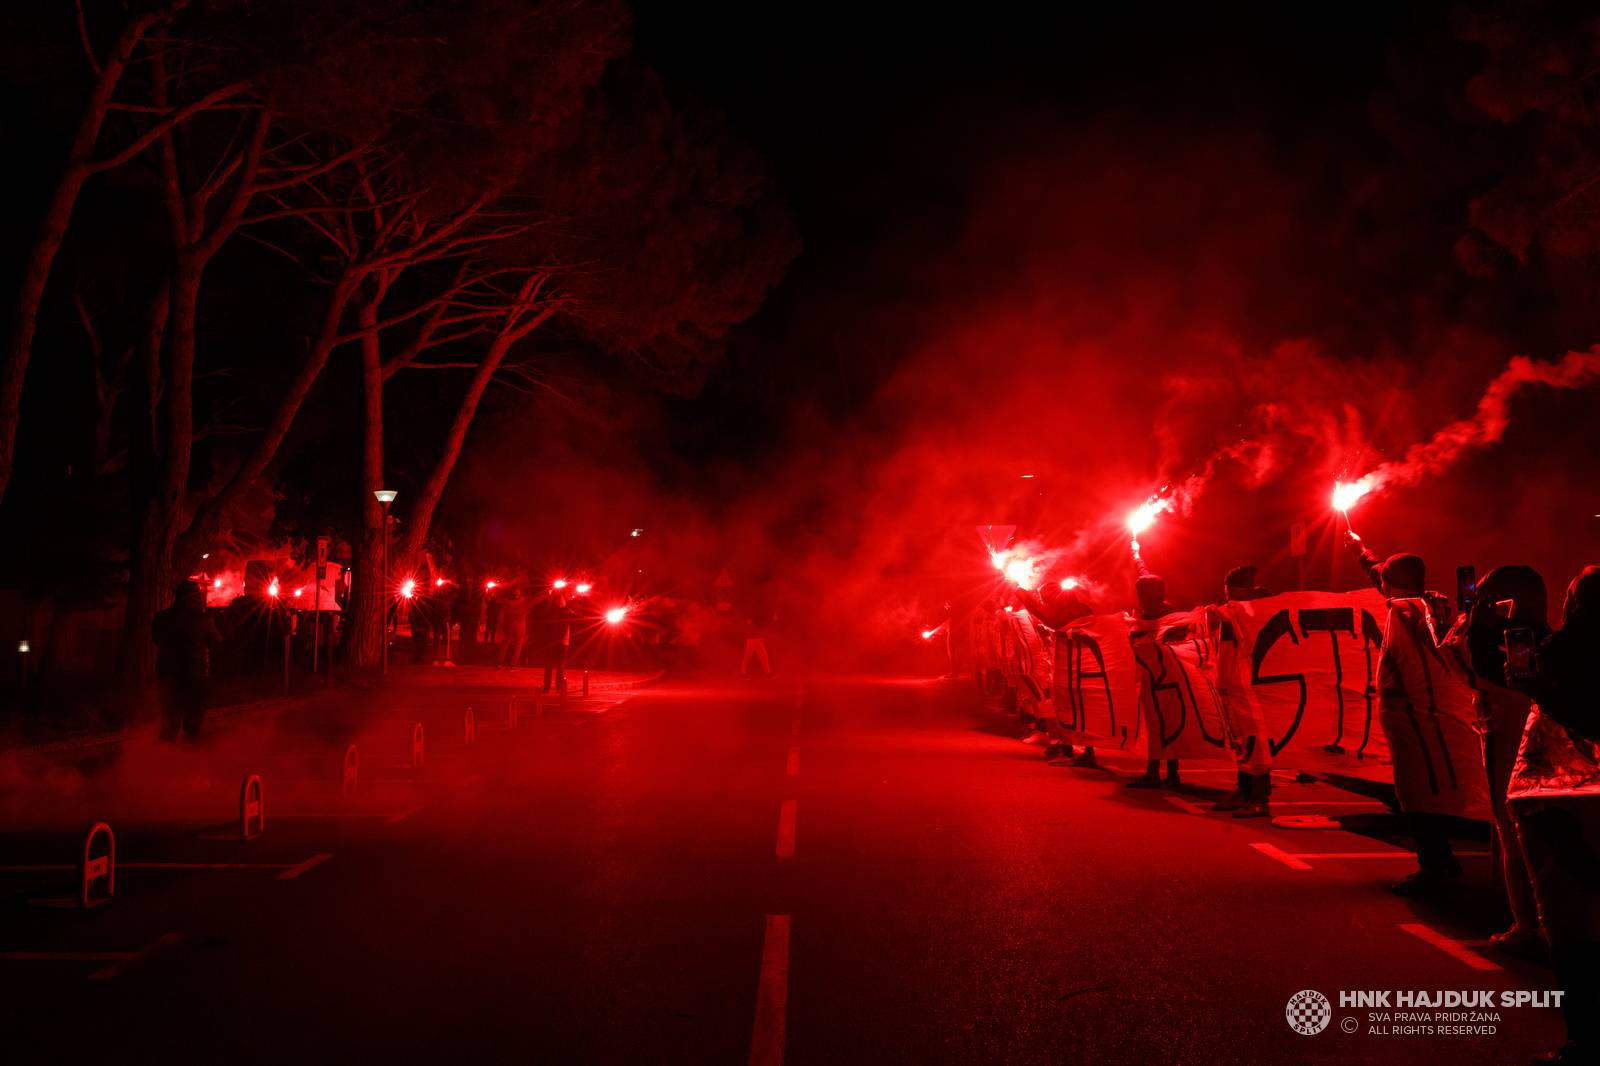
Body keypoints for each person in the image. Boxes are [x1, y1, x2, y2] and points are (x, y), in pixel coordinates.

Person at [1509, 566, 1600, 1066]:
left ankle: (1585, 1039)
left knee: (1571, 925)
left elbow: (1583, 716)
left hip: (1563, 800)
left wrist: (1537, 686)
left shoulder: (1563, 653)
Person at [1344, 532, 1462, 895]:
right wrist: (1361, 550)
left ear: (1391, 583)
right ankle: (1442, 860)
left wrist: (1410, 705)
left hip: (1416, 714)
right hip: (1431, 713)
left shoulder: (1405, 611)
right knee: (1431, 787)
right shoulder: (1426, 604)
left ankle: (1434, 867)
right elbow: (1383, 576)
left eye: (1383, 579)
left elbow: (1416, 669)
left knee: (1418, 792)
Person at [1438, 565, 1547, 957]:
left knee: (1514, 829)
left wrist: (1474, 625)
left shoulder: (1516, 638)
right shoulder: (1545, 635)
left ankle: (1529, 924)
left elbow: (1478, 672)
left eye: (1490, 594)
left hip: (1512, 740)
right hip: (1536, 744)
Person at [1128, 573, 1182, 789]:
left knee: (1154, 722)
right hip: (1172, 672)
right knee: (1170, 721)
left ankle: (1153, 771)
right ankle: (1172, 772)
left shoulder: (1151, 613)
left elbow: (1140, 640)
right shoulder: (1170, 610)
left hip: (1155, 673)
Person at [152, 581, 222, 742]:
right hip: (196, 679)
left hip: (169, 678)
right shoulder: (202, 619)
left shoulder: (162, 617)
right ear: (195, 597)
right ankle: (188, 762)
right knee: (192, 728)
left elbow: (156, 639)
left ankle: (164, 761)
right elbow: (216, 642)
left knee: (169, 725)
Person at [495, 586, 528, 670]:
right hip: (520, 627)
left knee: (505, 644)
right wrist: (547, 593)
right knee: (518, 646)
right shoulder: (524, 602)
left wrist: (501, 624)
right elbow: (536, 600)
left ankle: (499, 663)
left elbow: (501, 613)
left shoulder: (506, 602)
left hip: (509, 626)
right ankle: (513, 665)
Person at [741, 604, 773, 678]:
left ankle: (743, 674)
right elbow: (757, 627)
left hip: (754, 640)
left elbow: (754, 628)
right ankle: (767, 674)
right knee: (762, 657)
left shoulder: (750, 618)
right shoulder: (753, 618)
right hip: (754, 640)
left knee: (751, 657)